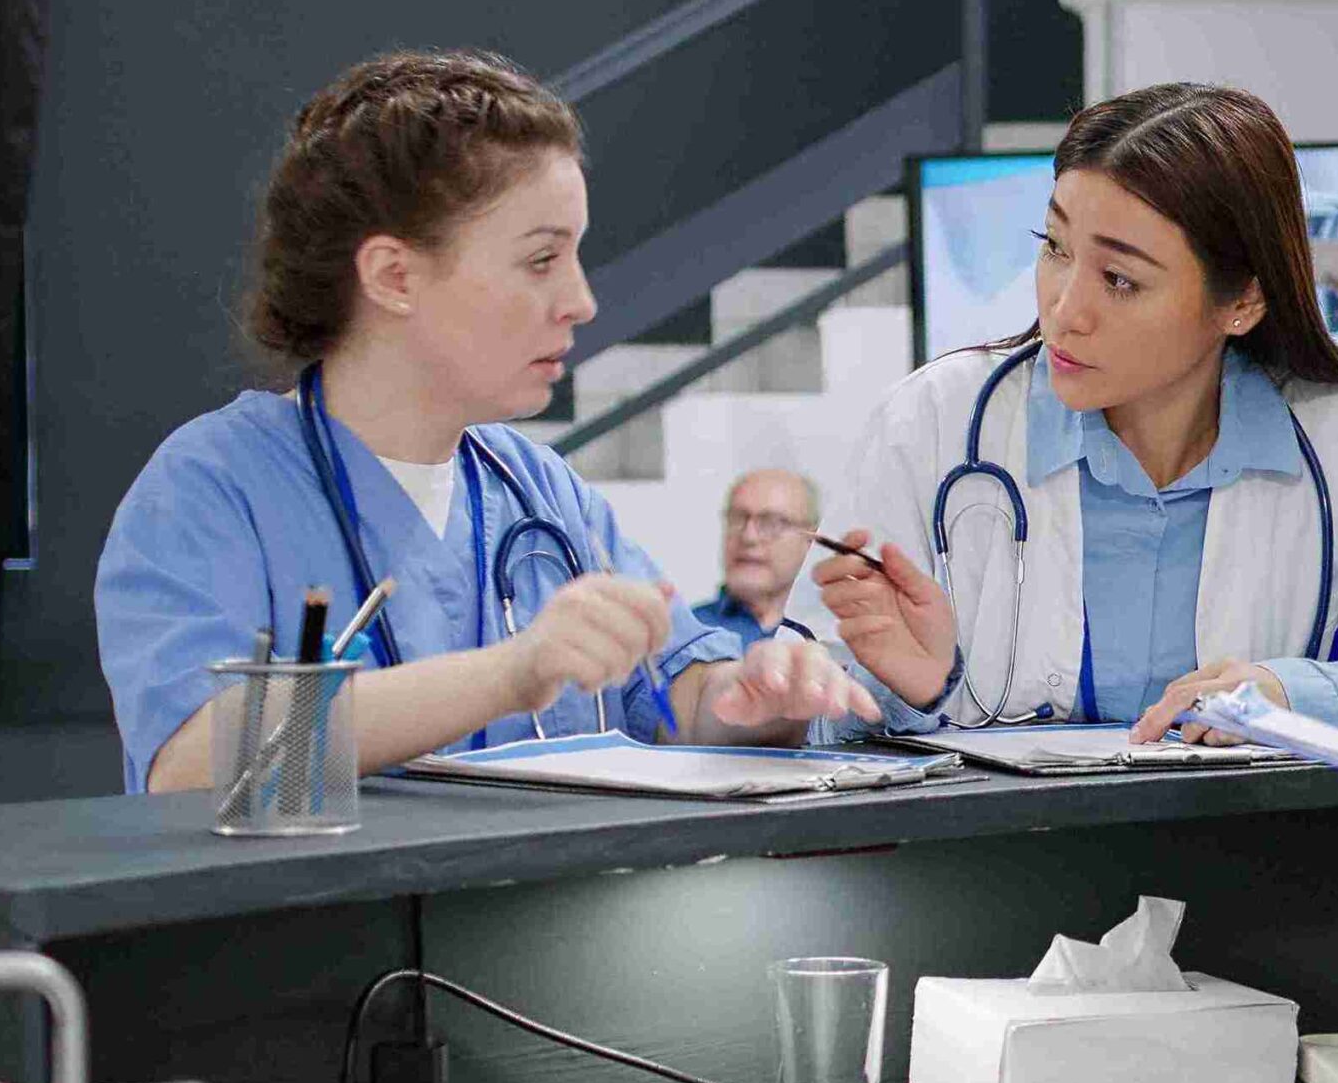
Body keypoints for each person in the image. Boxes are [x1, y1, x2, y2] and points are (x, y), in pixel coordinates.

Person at [96, 50, 874, 793]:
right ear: (394, 276)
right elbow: (192, 762)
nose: (581, 300)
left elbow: (688, 701)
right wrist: (509, 674)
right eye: (541, 260)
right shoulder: (212, 488)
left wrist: (766, 694)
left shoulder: (538, 490)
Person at [803, 83, 1338, 745]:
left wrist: (1300, 696)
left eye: (1121, 280)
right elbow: (795, 709)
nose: (1063, 311)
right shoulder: (934, 422)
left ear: (1241, 301)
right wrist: (908, 693)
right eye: (1055, 247)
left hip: (1268, 883)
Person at [694, 468, 822, 647]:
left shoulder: (836, 634)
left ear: (811, 539)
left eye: (771, 523)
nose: (749, 537)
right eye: (738, 518)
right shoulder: (682, 636)